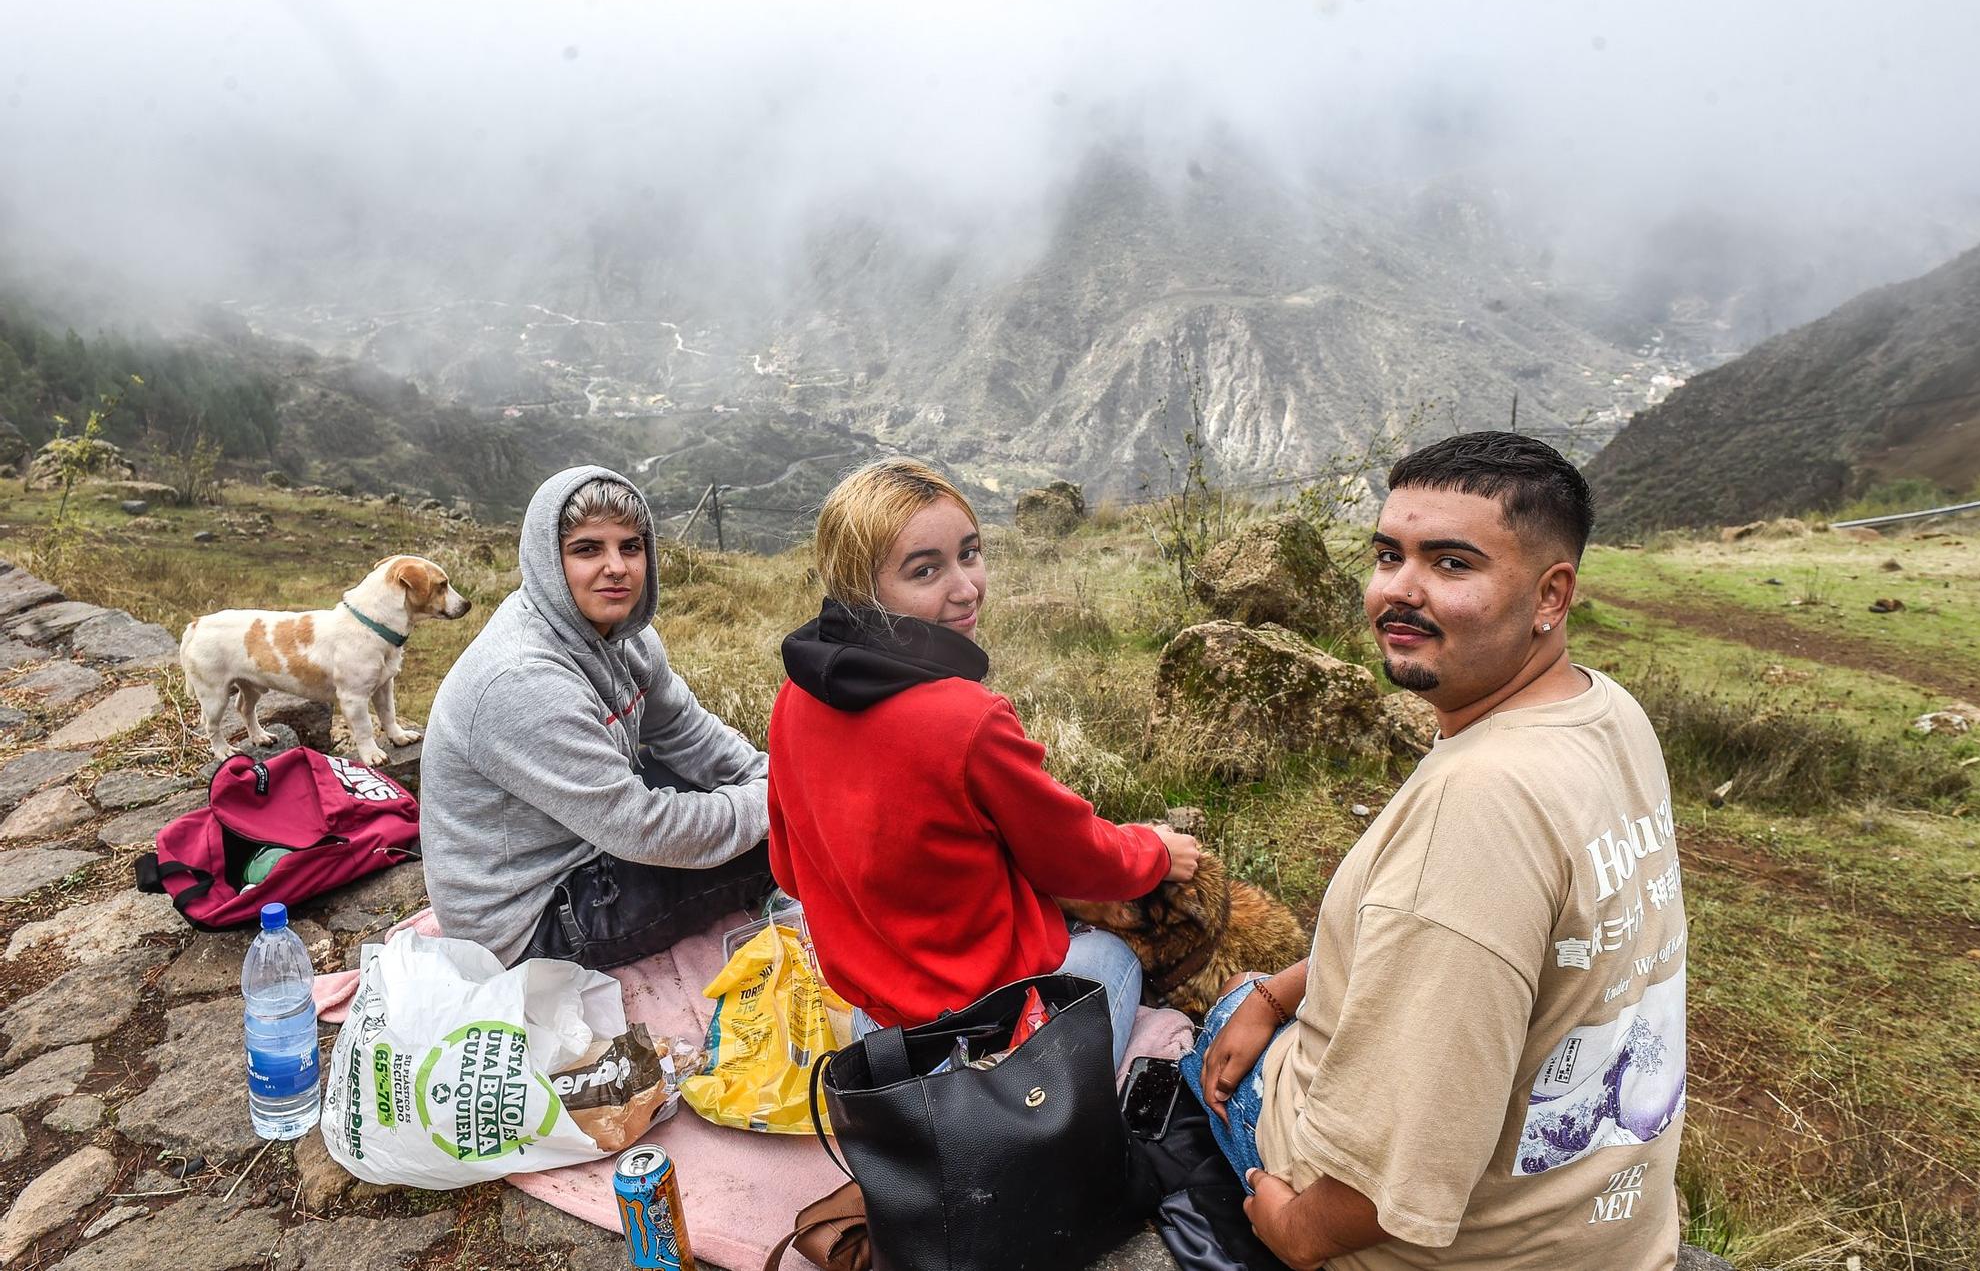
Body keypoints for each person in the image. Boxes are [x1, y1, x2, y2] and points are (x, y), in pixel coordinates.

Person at [1185, 433, 1688, 1270]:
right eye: (1389, 554)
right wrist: (1278, 995)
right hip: (1608, 1233)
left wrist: (1298, 1231)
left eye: (1451, 564)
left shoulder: (1480, 803)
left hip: (1455, 1248)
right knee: (1254, 993)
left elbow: (1391, 1184)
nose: (1398, 591)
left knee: (1206, 1025)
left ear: (1550, 594)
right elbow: (1493, 944)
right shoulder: (1607, 714)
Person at [765, 457, 1201, 1066]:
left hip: (877, 1024)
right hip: (990, 1018)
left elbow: (787, 868)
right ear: (864, 592)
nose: (967, 589)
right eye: (926, 571)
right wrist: (1156, 851)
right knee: (1115, 959)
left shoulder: (796, 697)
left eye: (969, 553)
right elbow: (1075, 859)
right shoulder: (967, 720)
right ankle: (1119, 1072)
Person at [421, 465, 774, 968]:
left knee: (725, 797)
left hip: (574, 843)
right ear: (548, 561)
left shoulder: (625, 636)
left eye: (631, 547)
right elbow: (640, 827)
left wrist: (768, 779)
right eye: (588, 549)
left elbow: (684, 730)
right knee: (772, 845)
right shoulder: (522, 680)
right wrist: (776, 807)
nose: (618, 567)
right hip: (528, 919)